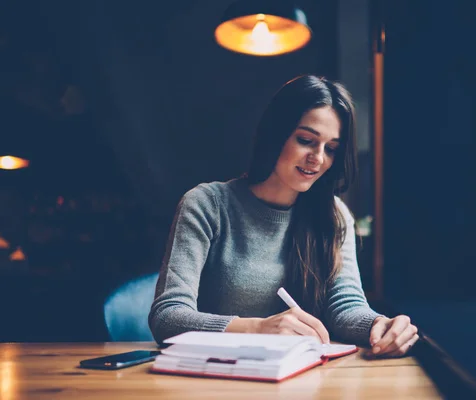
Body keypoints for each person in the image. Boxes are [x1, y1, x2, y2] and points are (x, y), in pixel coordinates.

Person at [149, 75, 418, 357]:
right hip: (215, 376)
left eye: (332, 149)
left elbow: (346, 306)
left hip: (301, 380)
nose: (318, 157)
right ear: (276, 134)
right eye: (306, 140)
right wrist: (257, 329)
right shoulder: (207, 205)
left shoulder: (334, 215)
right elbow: (168, 317)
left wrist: (379, 326)